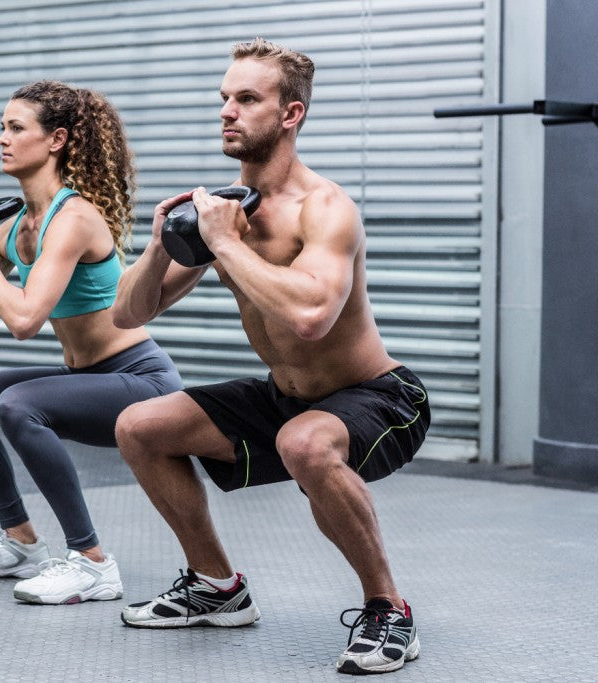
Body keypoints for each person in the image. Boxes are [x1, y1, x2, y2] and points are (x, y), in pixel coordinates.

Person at [111, 38, 430, 674]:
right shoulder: (227, 215)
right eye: (224, 99)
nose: (227, 111)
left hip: (380, 397)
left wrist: (226, 246)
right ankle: (217, 586)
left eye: (247, 99)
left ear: (291, 114)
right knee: (140, 427)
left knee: (305, 444)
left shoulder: (324, 207)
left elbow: (312, 317)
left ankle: (388, 609)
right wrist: (156, 245)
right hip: (287, 397)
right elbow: (129, 314)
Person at [0, 80, 183, 605]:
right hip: (87, 378)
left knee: (18, 405)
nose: (2, 138)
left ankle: (92, 563)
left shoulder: (74, 219)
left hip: (138, 380)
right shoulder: (15, 225)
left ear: (56, 140)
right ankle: (20, 541)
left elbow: (23, 322)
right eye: (1, 127)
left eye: (15, 128)